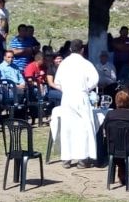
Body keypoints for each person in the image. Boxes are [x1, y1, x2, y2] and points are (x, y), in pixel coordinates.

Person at [54, 39, 99, 169]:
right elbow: (95, 80)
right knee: (83, 127)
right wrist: (86, 88)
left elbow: (58, 81)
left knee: (67, 127)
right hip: (80, 96)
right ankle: (82, 158)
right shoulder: (86, 63)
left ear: (70, 49)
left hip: (67, 97)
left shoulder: (64, 64)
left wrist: (67, 89)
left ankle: (66, 158)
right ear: (82, 50)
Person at [102, 89, 129, 185]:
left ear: (116, 101)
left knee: (115, 150)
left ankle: (122, 170)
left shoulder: (110, 114)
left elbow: (105, 132)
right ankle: (124, 172)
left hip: (112, 147)